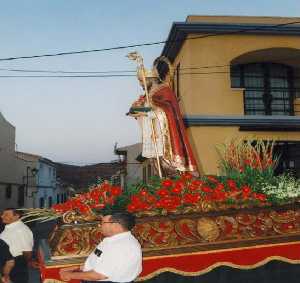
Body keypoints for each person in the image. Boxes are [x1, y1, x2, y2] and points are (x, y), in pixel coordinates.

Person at [128, 56, 198, 176]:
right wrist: (138, 110)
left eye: (142, 80)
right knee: (155, 162)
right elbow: (138, 111)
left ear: (152, 77)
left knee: (168, 165)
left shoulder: (165, 90)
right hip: (151, 134)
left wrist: (151, 111)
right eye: (140, 81)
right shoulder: (148, 94)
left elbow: (169, 110)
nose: (141, 84)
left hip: (164, 135)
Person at [59, 211, 142, 283]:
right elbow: (98, 261)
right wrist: (75, 268)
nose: (99, 225)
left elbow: (99, 275)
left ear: (116, 225)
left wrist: (69, 275)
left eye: (102, 223)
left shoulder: (119, 246)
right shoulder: (116, 240)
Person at [0, 208, 34, 283]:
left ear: (17, 216)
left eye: (6, 214)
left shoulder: (22, 230)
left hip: (15, 265)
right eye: (2, 214)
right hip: (8, 263)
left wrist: (22, 263)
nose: (2, 216)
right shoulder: (10, 226)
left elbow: (27, 252)